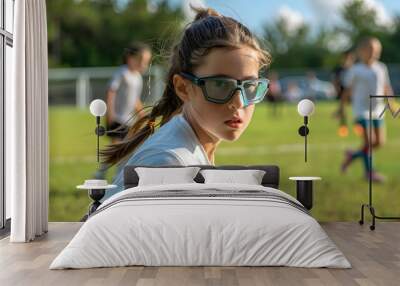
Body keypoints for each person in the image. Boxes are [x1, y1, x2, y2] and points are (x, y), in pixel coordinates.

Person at [100, 6, 271, 200]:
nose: (239, 102)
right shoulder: (172, 164)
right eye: (220, 85)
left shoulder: (189, 144)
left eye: (250, 86)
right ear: (183, 88)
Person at [94, 42, 152, 179]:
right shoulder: (122, 73)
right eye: (142, 61)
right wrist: (110, 113)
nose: (144, 65)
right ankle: (110, 175)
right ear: (130, 58)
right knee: (119, 148)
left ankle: (106, 174)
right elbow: (111, 91)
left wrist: (142, 115)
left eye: (146, 62)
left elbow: (135, 99)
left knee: (123, 149)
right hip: (117, 118)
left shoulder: (137, 78)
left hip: (128, 120)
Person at [340, 37, 394, 182]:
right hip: (361, 111)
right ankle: (369, 173)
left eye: (377, 50)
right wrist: (342, 108)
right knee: (370, 141)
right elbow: (347, 91)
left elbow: (386, 87)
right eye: (370, 50)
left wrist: (392, 103)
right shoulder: (355, 70)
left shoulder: (381, 68)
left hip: (378, 110)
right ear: (361, 51)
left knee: (379, 142)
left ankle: (353, 155)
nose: (374, 53)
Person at [331, 49, 355, 137]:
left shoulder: (355, 69)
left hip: (353, 92)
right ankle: (343, 127)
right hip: (342, 91)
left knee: (356, 109)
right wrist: (337, 90)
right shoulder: (338, 69)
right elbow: (335, 80)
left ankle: (358, 125)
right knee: (342, 109)